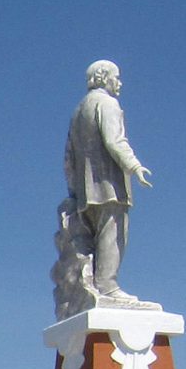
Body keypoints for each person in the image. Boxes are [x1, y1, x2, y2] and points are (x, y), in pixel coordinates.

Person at [61, 59, 155, 309]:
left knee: (93, 241)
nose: (120, 82)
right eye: (117, 76)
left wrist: (74, 189)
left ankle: (93, 287)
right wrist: (134, 166)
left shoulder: (79, 110)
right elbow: (115, 141)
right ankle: (107, 286)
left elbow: (68, 155)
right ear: (104, 77)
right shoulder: (107, 103)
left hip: (84, 191)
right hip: (108, 185)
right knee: (112, 234)